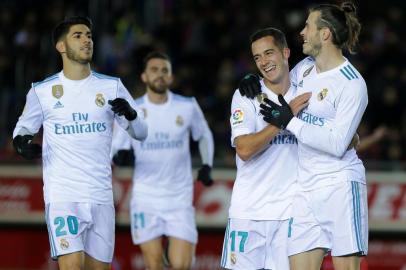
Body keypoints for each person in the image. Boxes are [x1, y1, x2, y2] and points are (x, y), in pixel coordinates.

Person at [239, 2, 368, 270]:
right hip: (304, 190)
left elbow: (336, 144)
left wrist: (290, 122)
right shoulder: (305, 68)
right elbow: (278, 84)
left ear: (325, 34)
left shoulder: (351, 83)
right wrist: (250, 79)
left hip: (340, 185)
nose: (302, 32)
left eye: (308, 26)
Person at [12, 16, 147, 270]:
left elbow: (141, 133)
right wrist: (21, 142)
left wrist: (130, 114)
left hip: (100, 196)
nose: (87, 39)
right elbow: (23, 128)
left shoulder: (112, 86)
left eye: (89, 35)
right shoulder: (42, 91)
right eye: (78, 35)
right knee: (72, 265)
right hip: (63, 194)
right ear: (61, 46)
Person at [111, 51, 214, 270]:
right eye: (154, 70)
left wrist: (207, 164)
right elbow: (117, 148)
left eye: (165, 70)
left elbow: (204, 135)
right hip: (146, 199)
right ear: (144, 77)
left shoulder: (187, 106)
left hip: (179, 199)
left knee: (181, 265)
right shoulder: (133, 110)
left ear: (171, 77)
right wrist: (120, 155)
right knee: (153, 264)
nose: (160, 74)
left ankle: (172, 252)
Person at [220, 28, 311, 269]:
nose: (263, 62)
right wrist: (282, 120)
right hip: (248, 212)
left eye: (269, 53)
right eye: (257, 57)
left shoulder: (305, 94)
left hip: (290, 215)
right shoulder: (246, 95)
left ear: (286, 52)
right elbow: (244, 149)